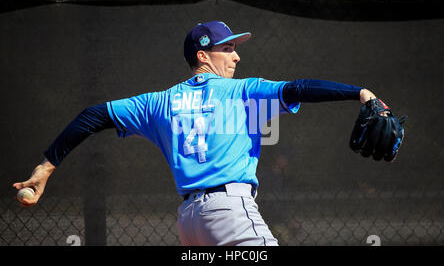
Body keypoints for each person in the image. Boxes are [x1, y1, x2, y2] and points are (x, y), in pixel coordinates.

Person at [13, 21, 381, 246]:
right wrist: (360, 92)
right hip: (231, 211)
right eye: (228, 48)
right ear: (203, 55)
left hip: (190, 223)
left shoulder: (156, 103)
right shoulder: (242, 90)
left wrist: (45, 168)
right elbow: (301, 87)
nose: (236, 57)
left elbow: (92, 116)